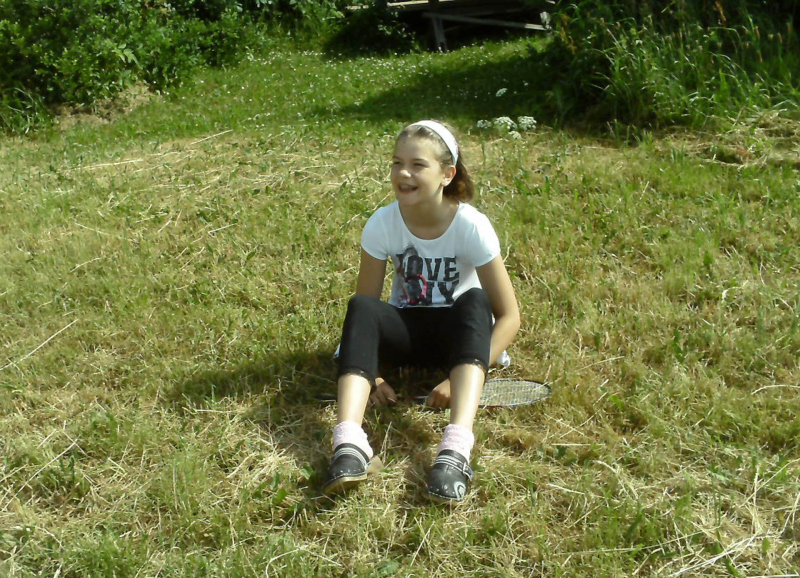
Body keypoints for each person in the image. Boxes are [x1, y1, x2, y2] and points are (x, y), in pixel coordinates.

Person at [324, 120, 520, 502]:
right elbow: (368, 312)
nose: (403, 173)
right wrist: (375, 376)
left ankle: (455, 449)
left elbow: (509, 315)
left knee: (476, 301)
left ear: (448, 174)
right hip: (407, 333)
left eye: (418, 165)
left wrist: (457, 380)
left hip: (460, 341)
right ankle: (348, 442)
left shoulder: (471, 226)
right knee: (360, 305)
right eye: (397, 163)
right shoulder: (382, 223)